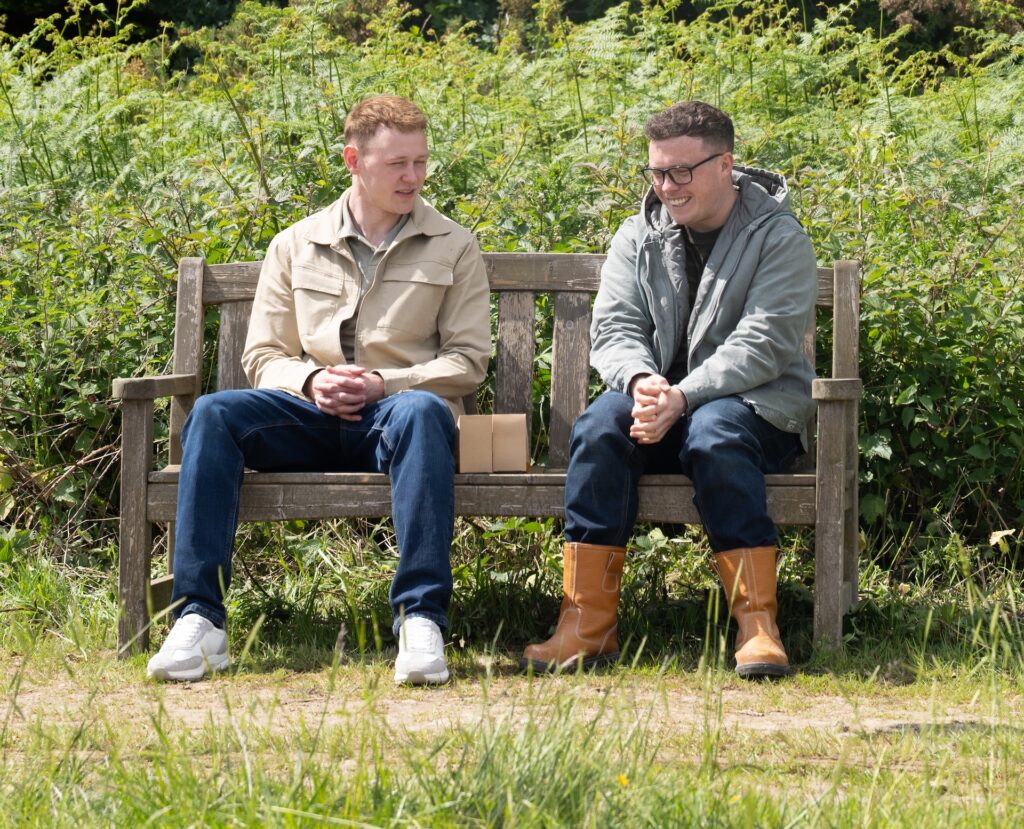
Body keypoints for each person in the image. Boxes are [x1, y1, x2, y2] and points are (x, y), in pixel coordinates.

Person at [147, 95, 491, 685]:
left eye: (420, 161)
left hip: (395, 418)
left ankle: (420, 620)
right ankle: (200, 620)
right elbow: (263, 356)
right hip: (306, 415)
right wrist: (311, 380)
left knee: (425, 412)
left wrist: (385, 383)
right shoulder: (295, 243)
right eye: (397, 163)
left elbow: (468, 361)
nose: (413, 177)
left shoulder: (454, 244)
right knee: (213, 413)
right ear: (353, 160)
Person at [521, 101, 817, 679]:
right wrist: (642, 381)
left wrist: (683, 396)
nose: (667, 186)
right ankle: (586, 625)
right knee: (599, 427)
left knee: (715, 433)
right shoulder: (638, 234)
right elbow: (615, 327)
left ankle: (758, 626)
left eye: (682, 171)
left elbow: (765, 342)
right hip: (657, 404)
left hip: (755, 408)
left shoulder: (778, 236)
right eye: (657, 172)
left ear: (725, 164)